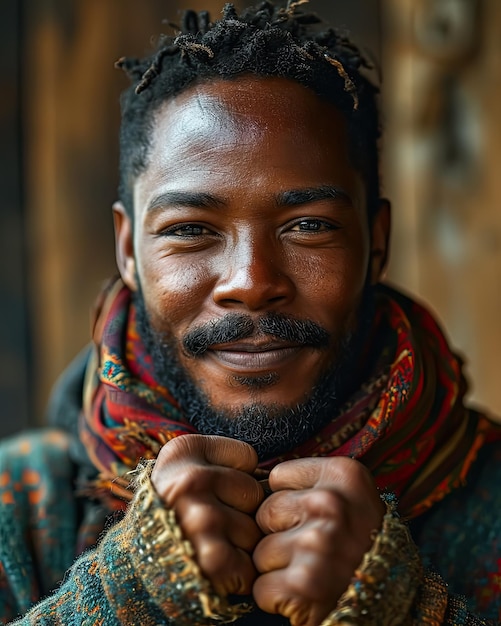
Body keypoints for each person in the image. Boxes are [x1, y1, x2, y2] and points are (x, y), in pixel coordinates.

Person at [1, 1, 500, 624]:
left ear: (377, 241)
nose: (251, 282)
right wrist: (130, 589)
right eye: (190, 230)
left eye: (308, 226)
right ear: (128, 249)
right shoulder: (16, 508)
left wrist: (403, 607)